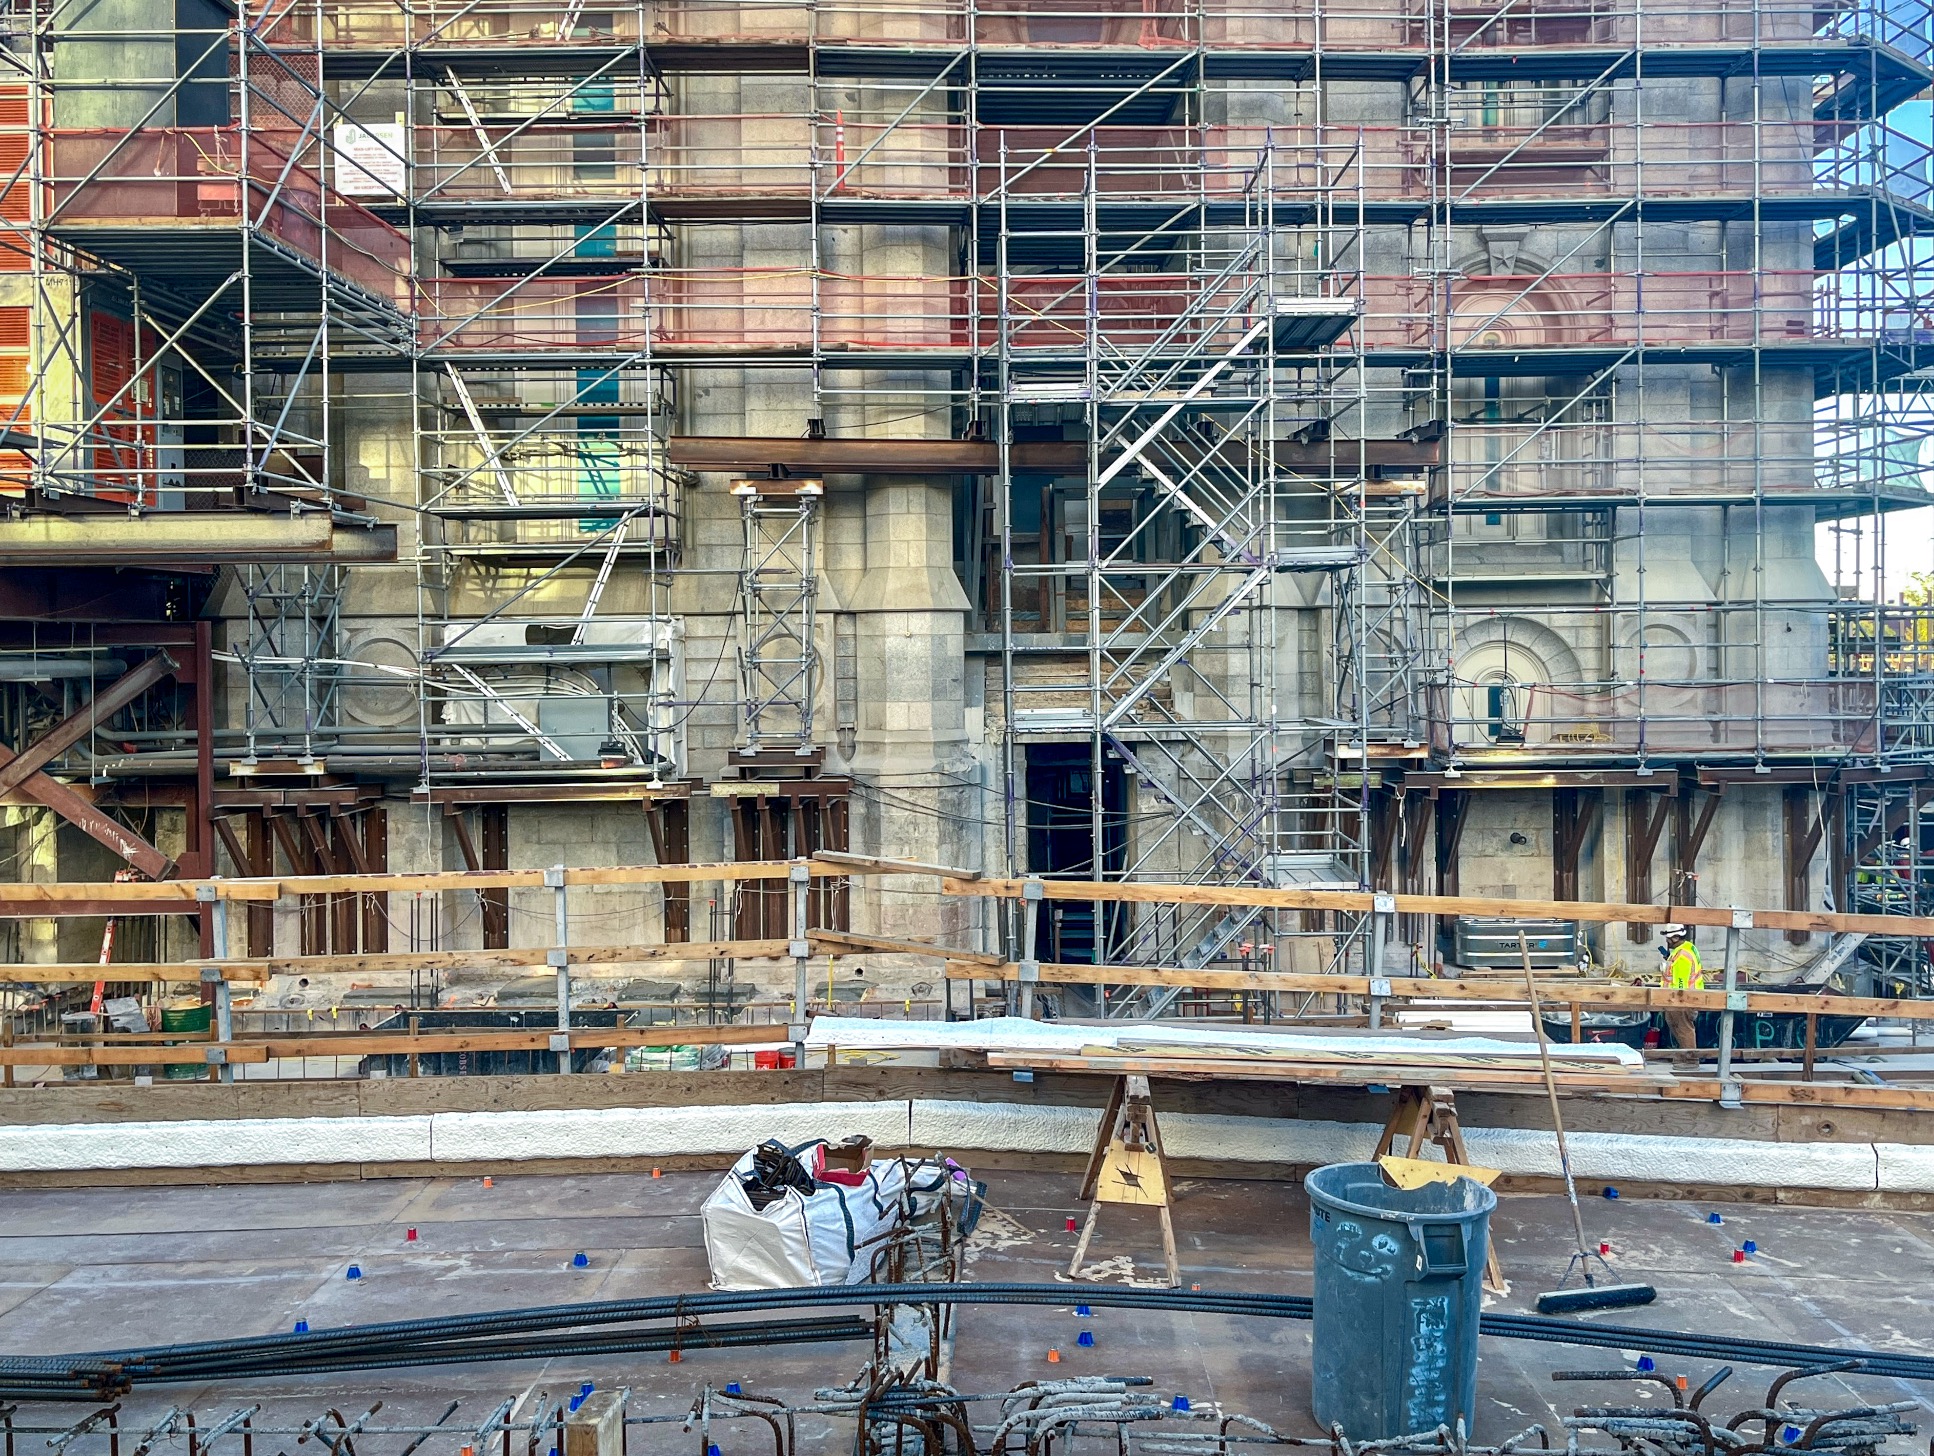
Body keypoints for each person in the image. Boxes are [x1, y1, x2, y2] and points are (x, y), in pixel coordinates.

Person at [1659, 922, 1703, 1049]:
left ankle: (1690, 1060)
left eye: (1668, 938)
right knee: (1680, 1027)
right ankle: (1685, 1057)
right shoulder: (1688, 947)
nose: (1667, 941)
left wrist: (1677, 1002)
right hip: (1688, 997)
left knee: (1684, 1030)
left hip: (1681, 1000)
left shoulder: (1682, 956)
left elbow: (1680, 983)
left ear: (1676, 937)